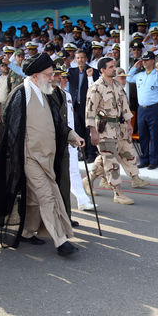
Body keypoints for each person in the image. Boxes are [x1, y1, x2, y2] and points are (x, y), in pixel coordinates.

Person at [0, 53, 85, 255]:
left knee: (34, 199)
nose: (52, 77)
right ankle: (60, 241)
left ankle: (27, 232)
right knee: (47, 196)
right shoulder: (21, 94)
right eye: (49, 74)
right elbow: (9, 130)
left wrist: (73, 136)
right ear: (36, 75)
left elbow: (57, 124)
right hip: (29, 158)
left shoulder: (46, 93)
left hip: (47, 158)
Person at [84, 57, 149, 206]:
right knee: (111, 161)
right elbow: (90, 112)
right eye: (111, 67)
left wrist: (128, 123)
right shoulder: (96, 88)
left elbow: (125, 106)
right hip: (104, 129)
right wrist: (93, 132)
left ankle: (88, 180)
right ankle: (118, 194)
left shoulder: (117, 86)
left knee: (108, 157)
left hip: (118, 129)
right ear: (102, 70)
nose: (114, 69)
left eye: (114, 66)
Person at [52, 64, 95, 212]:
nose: (65, 80)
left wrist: (75, 136)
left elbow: (70, 120)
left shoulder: (67, 95)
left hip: (69, 139)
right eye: (62, 77)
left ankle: (82, 200)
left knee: (74, 171)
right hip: (55, 141)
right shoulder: (49, 96)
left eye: (66, 77)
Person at [127, 51, 158, 170]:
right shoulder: (140, 75)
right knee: (143, 136)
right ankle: (144, 159)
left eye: (146, 60)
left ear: (152, 61)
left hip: (154, 108)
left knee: (154, 136)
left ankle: (154, 161)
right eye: (143, 60)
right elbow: (129, 78)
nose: (144, 62)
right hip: (141, 109)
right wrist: (135, 67)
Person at [67, 50, 100, 161]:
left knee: (89, 130)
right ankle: (83, 153)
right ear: (75, 60)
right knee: (79, 130)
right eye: (78, 58)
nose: (80, 60)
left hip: (88, 106)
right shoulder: (71, 71)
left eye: (82, 57)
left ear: (86, 59)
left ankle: (91, 154)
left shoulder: (93, 71)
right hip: (76, 106)